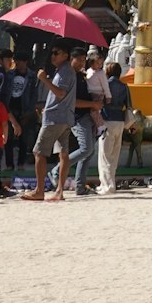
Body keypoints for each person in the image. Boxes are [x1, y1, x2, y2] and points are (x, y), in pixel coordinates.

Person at [24, 44, 76, 203]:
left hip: (56, 119)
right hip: (64, 117)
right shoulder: (63, 70)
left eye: (56, 52)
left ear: (65, 55)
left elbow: (60, 93)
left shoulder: (65, 71)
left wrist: (44, 79)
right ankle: (59, 191)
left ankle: (39, 191)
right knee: (63, 154)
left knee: (39, 152)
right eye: (52, 53)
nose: (52, 55)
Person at [48, 46, 101, 195]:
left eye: (84, 60)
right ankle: (56, 171)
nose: (82, 63)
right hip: (77, 117)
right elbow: (72, 101)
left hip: (88, 116)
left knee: (88, 152)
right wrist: (92, 104)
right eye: (79, 60)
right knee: (86, 149)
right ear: (71, 59)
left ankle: (80, 186)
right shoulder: (70, 77)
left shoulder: (81, 76)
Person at [97, 62, 133, 196]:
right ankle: (110, 183)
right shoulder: (124, 87)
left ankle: (107, 186)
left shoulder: (106, 85)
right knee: (114, 155)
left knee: (105, 156)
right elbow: (129, 105)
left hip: (107, 120)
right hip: (120, 121)